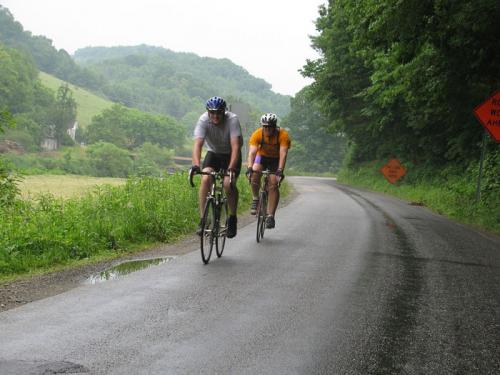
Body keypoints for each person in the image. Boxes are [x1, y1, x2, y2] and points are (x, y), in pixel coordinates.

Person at [190, 96, 243, 238]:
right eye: (212, 113)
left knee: (228, 184)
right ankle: (203, 220)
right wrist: (196, 165)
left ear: (224, 112)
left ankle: (232, 218)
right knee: (206, 178)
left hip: (231, 155)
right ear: (208, 112)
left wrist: (231, 168)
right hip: (214, 153)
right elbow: (198, 145)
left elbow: (236, 146)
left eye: (218, 113)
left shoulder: (232, 120)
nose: (215, 116)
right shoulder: (203, 120)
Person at [246, 113, 291, 229]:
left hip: (275, 160)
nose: (267, 129)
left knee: (273, 182)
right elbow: (252, 153)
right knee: (255, 172)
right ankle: (256, 198)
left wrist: (280, 170)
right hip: (262, 157)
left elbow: (283, 153)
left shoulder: (283, 135)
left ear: (275, 126)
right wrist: (249, 168)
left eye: (270, 127)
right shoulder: (257, 134)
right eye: (265, 127)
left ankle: (270, 215)